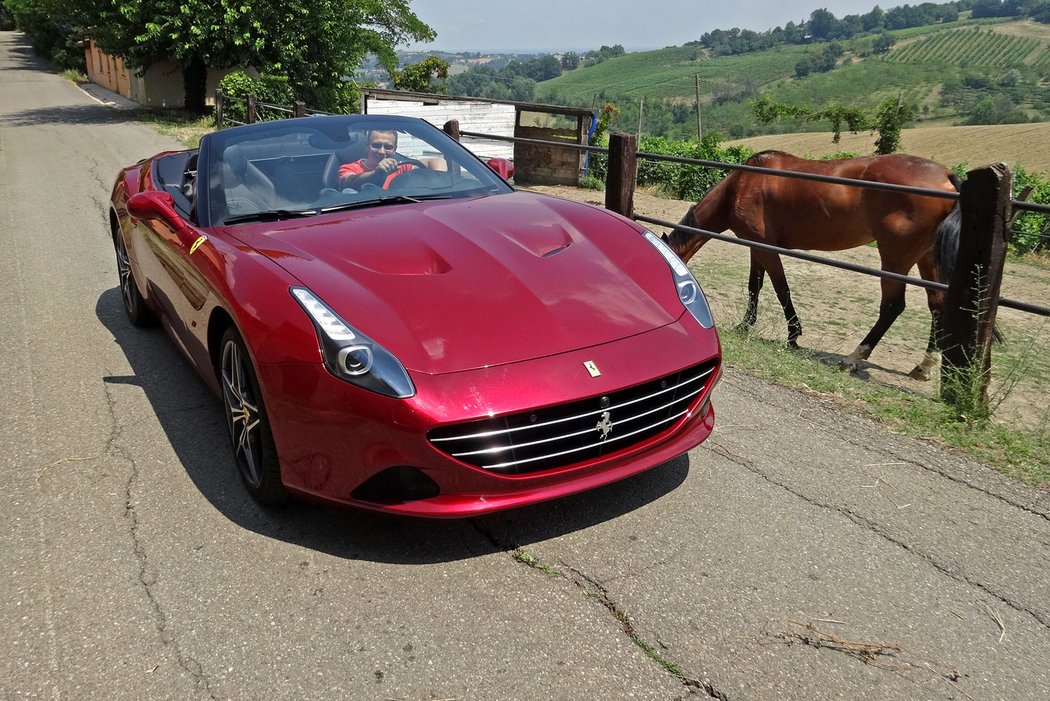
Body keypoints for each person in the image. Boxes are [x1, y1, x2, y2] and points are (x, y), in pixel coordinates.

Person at [337, 129, 445, 190]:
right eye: (376, 145)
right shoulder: (350, 168)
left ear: (395, 150)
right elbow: (350, 182)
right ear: (367, 146)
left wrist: (439, 182)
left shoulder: (399, 167)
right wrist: (377, 174)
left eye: (388, 147)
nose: (382, 152)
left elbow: (438, 161)